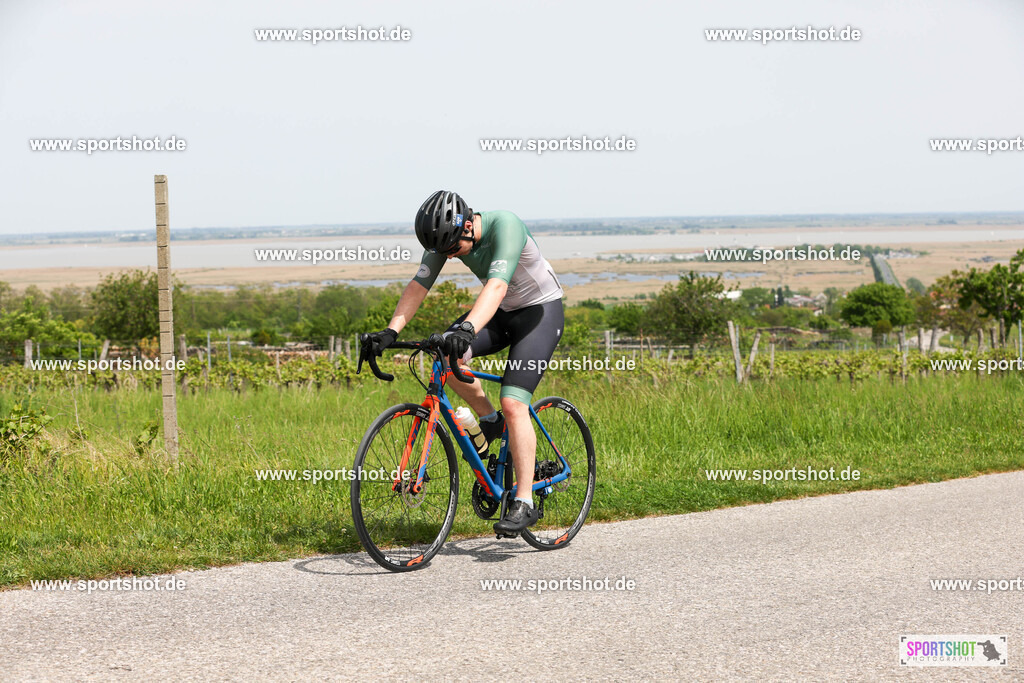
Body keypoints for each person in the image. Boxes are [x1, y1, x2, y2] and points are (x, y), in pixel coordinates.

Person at [363, 190, 564, 533]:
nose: (451, 257)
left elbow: (498, 285)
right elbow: (419, 284)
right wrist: (391, 331)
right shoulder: (448, 237)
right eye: (444, 253)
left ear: (469, 225)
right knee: (445, 357)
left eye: (454, 250)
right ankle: (490, 420)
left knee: (514, 402)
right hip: (501, 312)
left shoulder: (507, 225)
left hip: (539, 313)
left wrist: (469, 328)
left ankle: (525, 501)